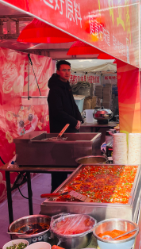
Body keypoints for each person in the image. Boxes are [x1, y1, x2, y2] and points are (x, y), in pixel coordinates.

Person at [47, 60, 84, 191]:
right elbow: (58, 112)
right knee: (59, 165)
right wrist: (74, 122)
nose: (67, 73)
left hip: (70, 131)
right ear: (58, 72)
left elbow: (73, 105)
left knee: (68, 162)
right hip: (60, 132)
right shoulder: (55, 90)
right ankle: (56, 192)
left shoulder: (66, 85)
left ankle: (66, 190)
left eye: (69, 70)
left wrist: (79, 119)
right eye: (64, 70)